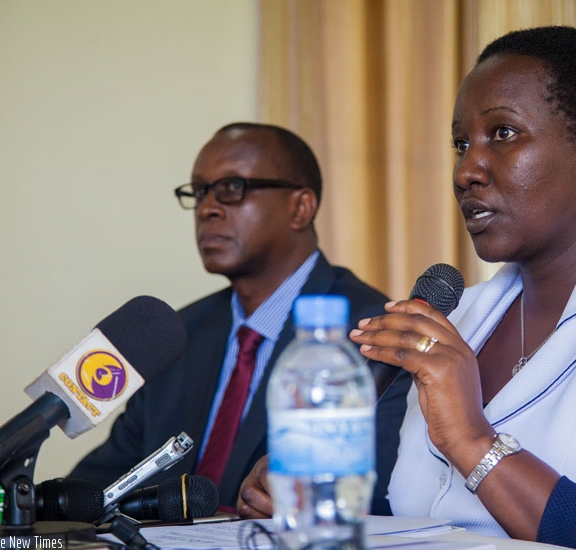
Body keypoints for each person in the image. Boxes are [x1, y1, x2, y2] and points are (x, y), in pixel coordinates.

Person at [238, 27, 576, 549]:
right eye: (461, 145)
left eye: (502, 134)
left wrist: (474, 442)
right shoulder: (465, 317)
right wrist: (316, 503)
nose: (466, 171)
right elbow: (433, 518)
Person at [70, 122, 411, 514]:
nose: (207, 208)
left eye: (233, 188)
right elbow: (104, 484)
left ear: (300, 207)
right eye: (199, 192)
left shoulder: (369, 335)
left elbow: (374, 496)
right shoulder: (178, 334)